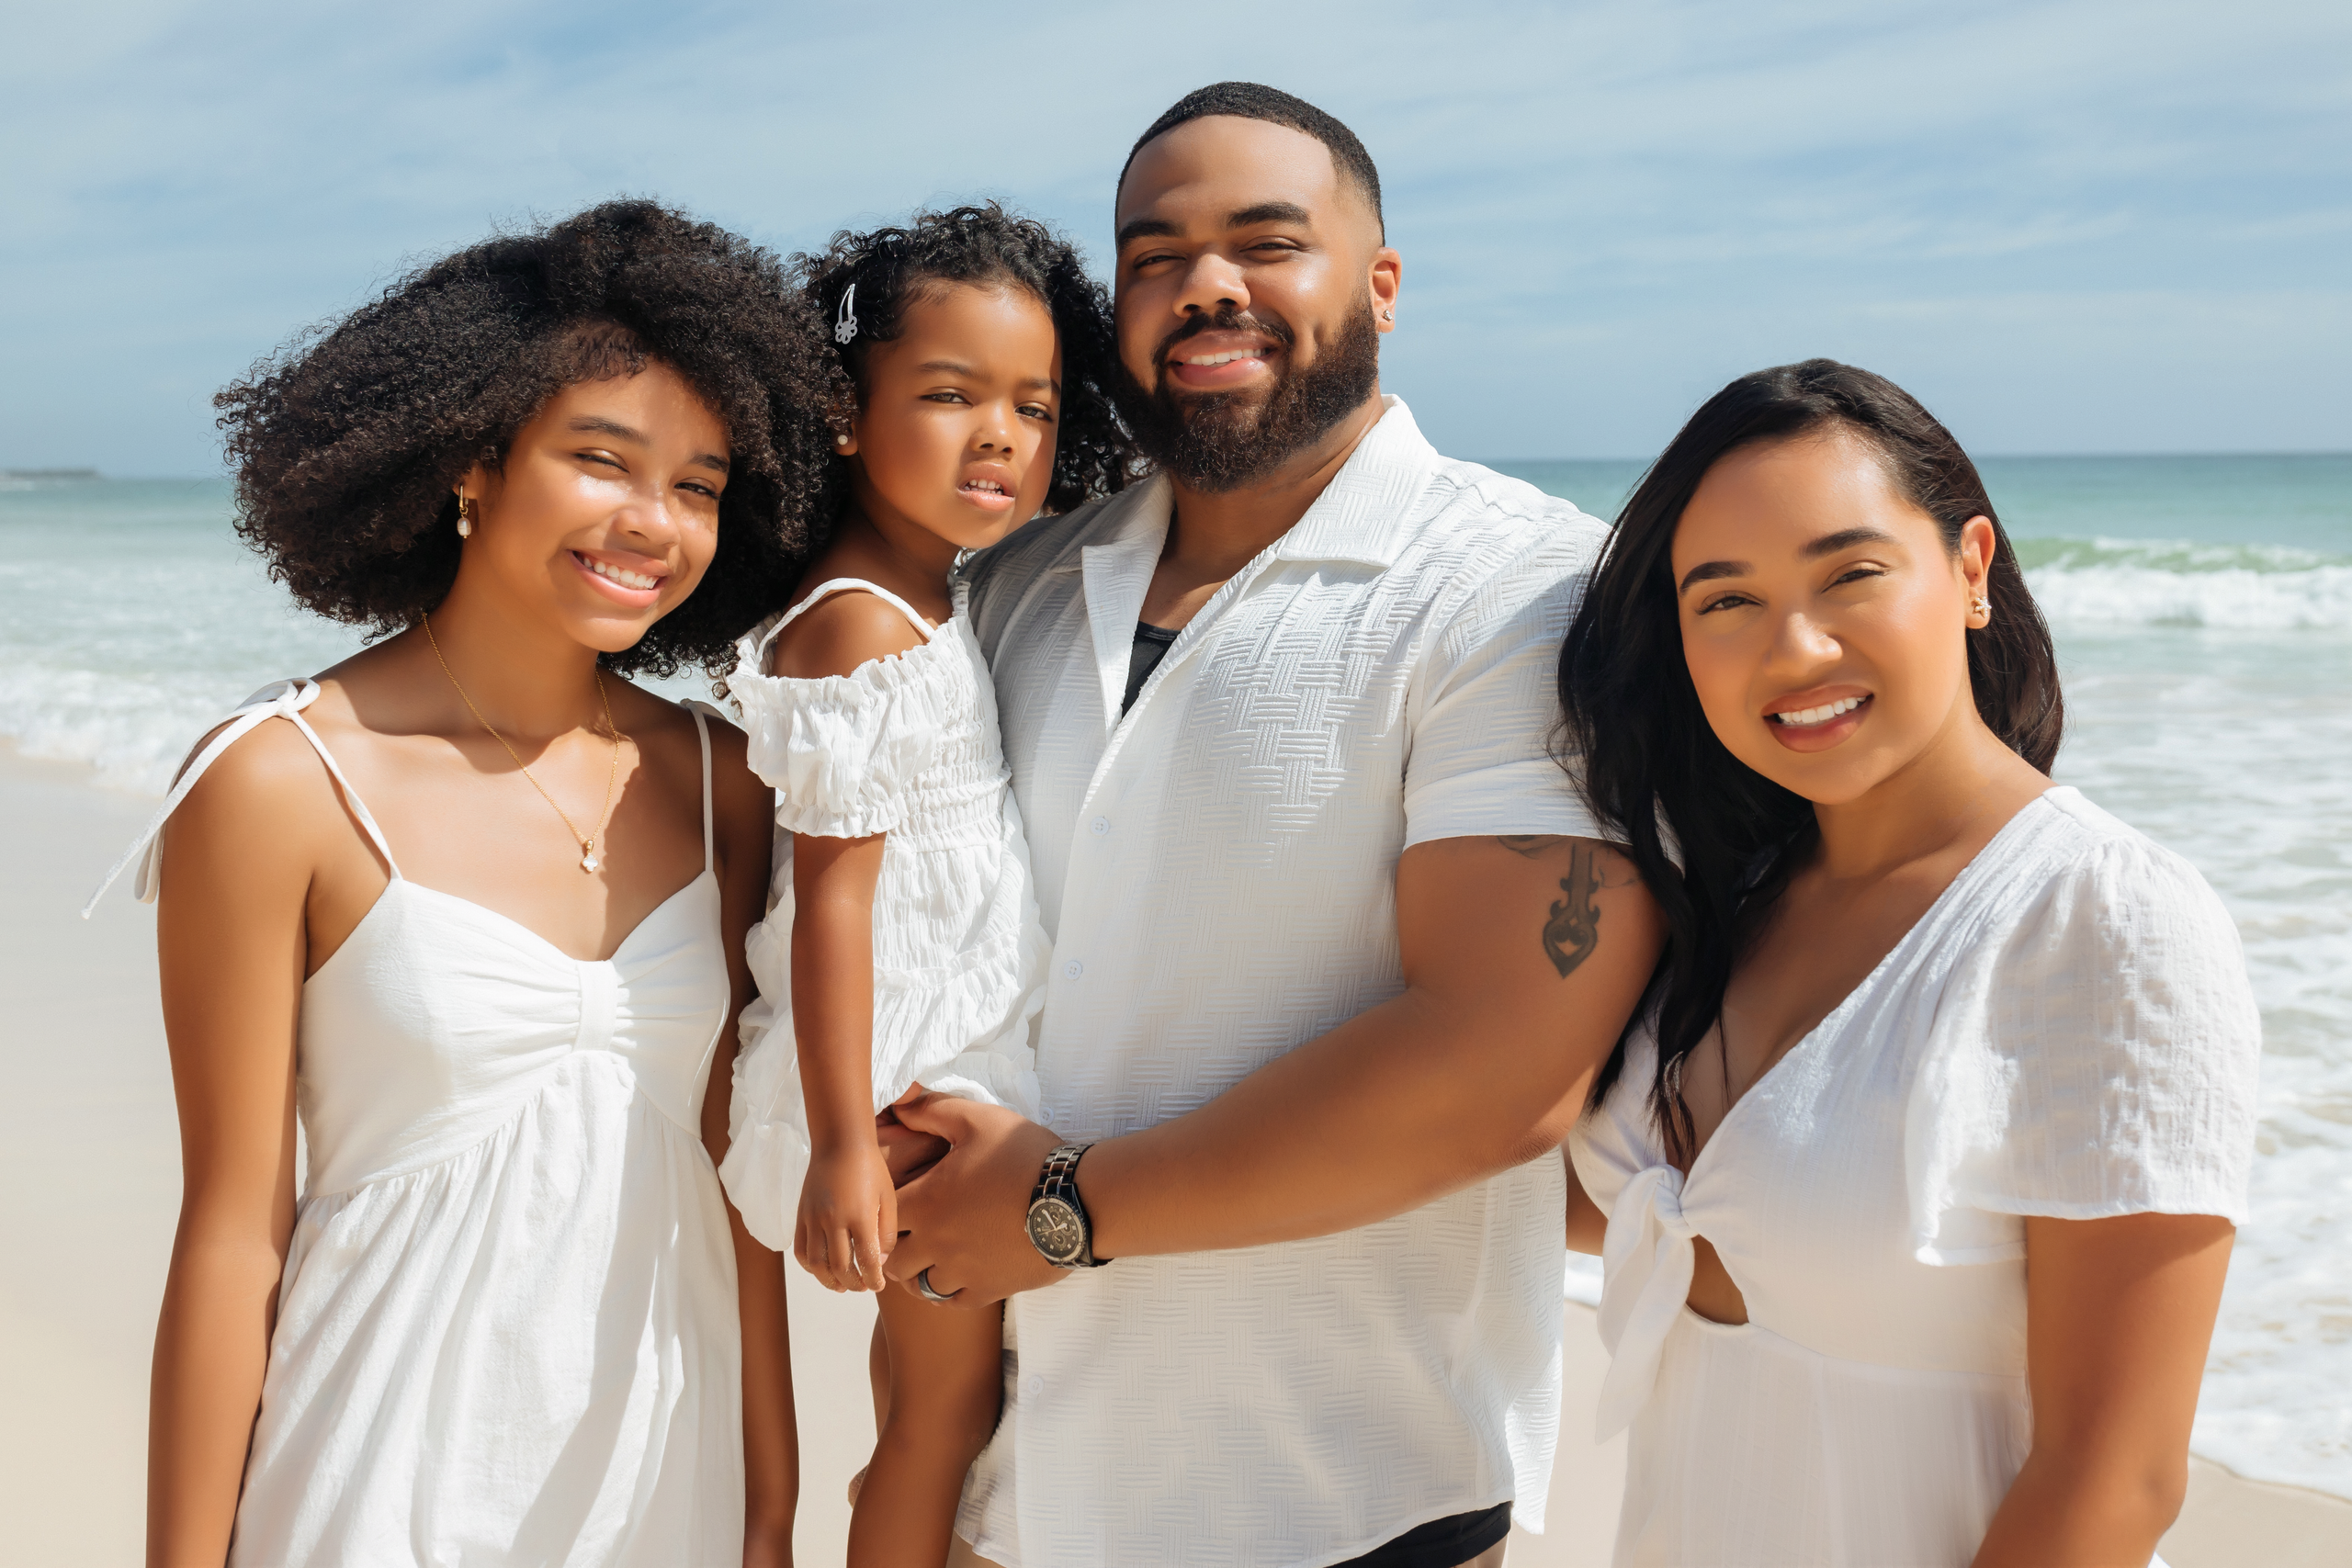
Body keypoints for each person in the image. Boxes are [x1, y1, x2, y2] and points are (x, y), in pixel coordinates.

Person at [878, 85, 1666, 1568]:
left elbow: (1500, 1072)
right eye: (1154, 254)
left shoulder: (1526, 590)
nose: (1205, 287)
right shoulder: (1013, 582)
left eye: (1266, 241)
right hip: (1013, 1495)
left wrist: (1058, 1210)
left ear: (1379, 285)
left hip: (1344, 1502)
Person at [88, 202, 831, 1567]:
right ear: (473, 463)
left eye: (700, 484)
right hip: (373, 1483)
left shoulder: (731, 787)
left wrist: (770, 1503)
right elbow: (231, 1232)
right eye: (600, 460)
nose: (651, 523)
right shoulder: (283, 779)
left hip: (660, 1487)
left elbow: (745, 1188)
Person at [1555, 359, 2262, 1567]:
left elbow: (2116, 1480)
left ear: (1971, 569)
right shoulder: (1727, 902)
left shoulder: (2101, 921)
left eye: (1852, 574)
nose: (1797, 646)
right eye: (1724, 601)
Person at [716, 203, 1136, 1567]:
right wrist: (844, 1142)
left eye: (1031, 403)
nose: (1000, 436)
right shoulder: (858, 623)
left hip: (923, 1056)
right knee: (940, 1418)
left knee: (921, 1396)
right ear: (846, 415)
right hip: (897, 1090)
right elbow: (835, 901)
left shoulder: (928, 591)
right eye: (950, 396)